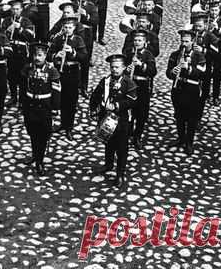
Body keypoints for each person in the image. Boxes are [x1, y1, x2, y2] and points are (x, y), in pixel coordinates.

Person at [90, 54, 137, 189]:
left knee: (122, 148)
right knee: (108, 143)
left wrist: (117, 106)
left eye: (117, 67)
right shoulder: (105, 81)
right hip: (106, 117)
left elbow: (132, 101)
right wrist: (93, 109)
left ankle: (120, 174)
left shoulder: (129, 83)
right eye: (112, 67)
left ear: (123, 68)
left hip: (122, 120)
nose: (114, 70)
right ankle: (108, 164)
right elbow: (96, 95)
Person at [20, 43, 61, 176]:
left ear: (45, 56)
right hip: (30, 105)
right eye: (35, 55)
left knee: (42, 135)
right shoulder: (28, 68)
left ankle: (40, 161)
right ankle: (34, 154)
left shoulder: (51, 71)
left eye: (40, 55)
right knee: (32, 131)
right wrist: (22, 104)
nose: (37, 58)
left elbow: (56, 91)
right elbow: (23, 86)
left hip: (44, 107)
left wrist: (55, 108)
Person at [166, 28, 207, 155]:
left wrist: (189, 68)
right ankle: (180, 138)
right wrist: (172, 72)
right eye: (182, 41)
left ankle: (189, 142)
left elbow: (202, 74)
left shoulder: (199, 57)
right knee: (179, 115)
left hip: (192, 90)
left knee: (191, 118)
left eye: (187, 41)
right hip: (178, 89)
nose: (184, 44)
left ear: (193, 42)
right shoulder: (175, 55)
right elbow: (168, 72)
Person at [48, 16, 87, 140]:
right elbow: (48, 55)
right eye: (65, 27)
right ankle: (62, 124)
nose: (67, 30)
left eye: (70, 27)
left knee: (71, 101)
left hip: (73, 72)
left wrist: (73, 52)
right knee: (61, 99)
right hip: (60, 72)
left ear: (74, 28)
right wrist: (56, 55)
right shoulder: (58, 39)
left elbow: (84, 57)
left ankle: (69, 127)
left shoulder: (78, 40)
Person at [122, 29, 157, 149]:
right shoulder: (128, 52)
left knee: (141, 113)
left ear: (145, 42)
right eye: (135, 40)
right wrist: (126, 68)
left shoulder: (148, 54)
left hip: (142, 87)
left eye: (140, 40)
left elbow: (153, 72)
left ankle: (137, 137)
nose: (137, 42)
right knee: (128, 110)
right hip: (130, 85)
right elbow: (122, 68)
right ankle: (128, 133)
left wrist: (141, 65)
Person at [2, 0, 35, 108]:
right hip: (11, 50)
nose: (15, 11)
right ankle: (13, 97)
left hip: (22, 52)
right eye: (13, 9)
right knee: (11, 75)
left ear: (21, 10)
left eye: (17, 9)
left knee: (22, 76)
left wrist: (20, 29)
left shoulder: (26, 21)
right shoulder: (6, 21)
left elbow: (31, 37)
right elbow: (1, 36)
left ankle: (22, 99)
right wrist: (8, 29)